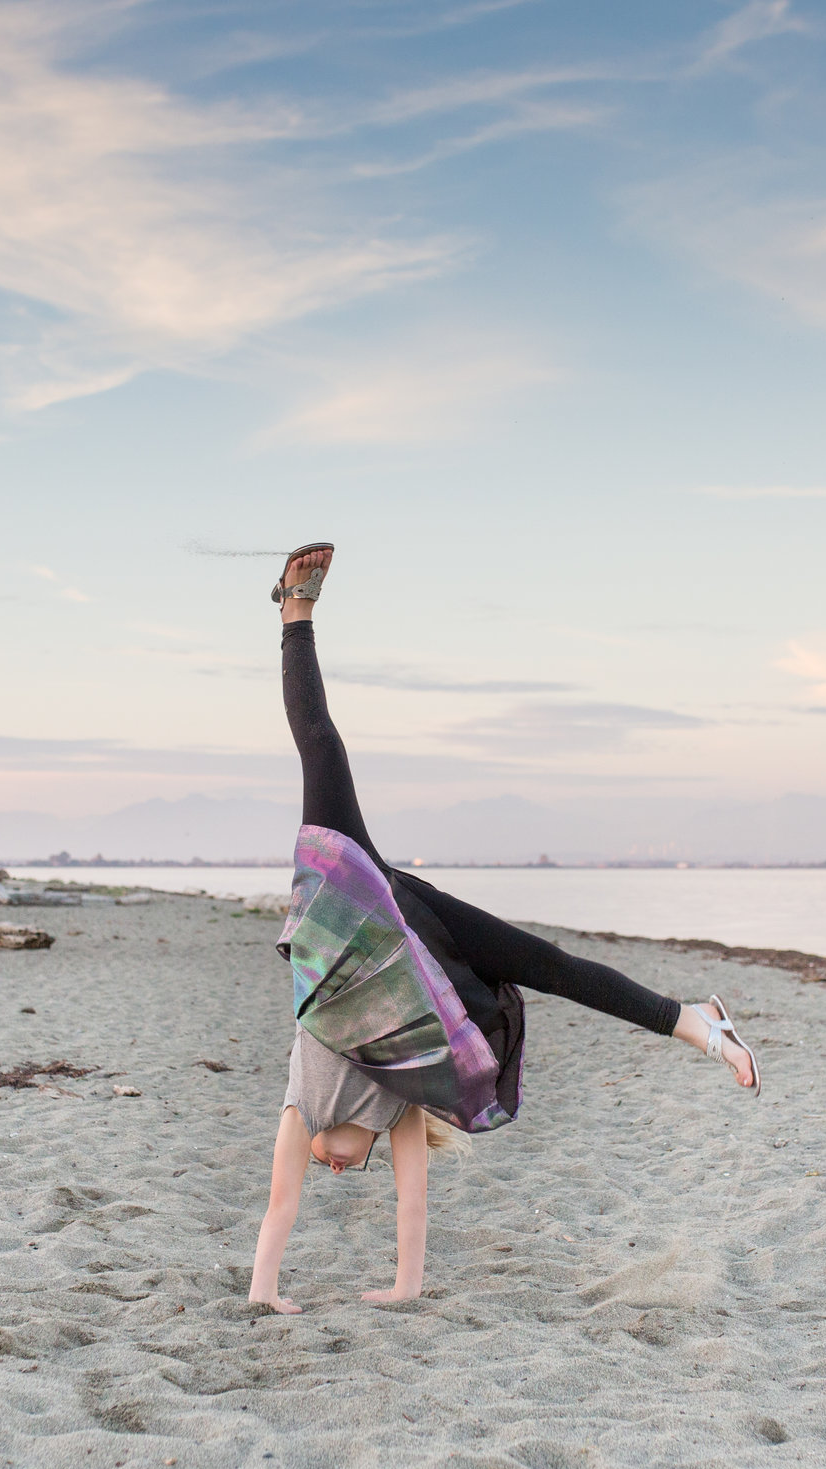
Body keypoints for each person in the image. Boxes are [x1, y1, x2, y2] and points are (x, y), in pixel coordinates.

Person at [247, 542, 758, 1313]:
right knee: (548, 964)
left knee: (321, 748)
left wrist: (263, 1295)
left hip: (347, 905)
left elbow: (277, 1206)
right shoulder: (401, 1103)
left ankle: (293, 609)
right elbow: (412, 1208)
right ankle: (700, 1024)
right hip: (415, 946)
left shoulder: (306, 1107)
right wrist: (402, 1289)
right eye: (340, 1169)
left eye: (322, 1165)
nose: (331, 1168)